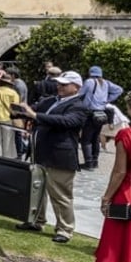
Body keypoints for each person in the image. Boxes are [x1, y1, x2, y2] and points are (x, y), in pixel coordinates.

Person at [13, 70, 89, 243]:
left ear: (76, 87)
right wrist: (21, 111)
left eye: (64, 84)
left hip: (60, 156)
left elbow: (66, 122)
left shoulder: (79, 106)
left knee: (60, 195)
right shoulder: (50, 101)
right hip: (41, 152)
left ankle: (65, 229)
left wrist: (35, 115)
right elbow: (34, 111)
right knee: (36, 190)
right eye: (59, 83)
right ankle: (36, 221)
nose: (59, 87)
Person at [93, 90, 131, 262]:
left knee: (115, 245)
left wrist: (106, 197)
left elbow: (119, 171)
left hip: (127, 193)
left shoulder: (127, 134)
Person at [78, 66, 123, 169]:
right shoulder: (106, 83)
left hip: (90, 113)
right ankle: (95, 161)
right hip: (101, 113)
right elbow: (119, 90)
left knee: (86, 139)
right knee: (95, 138)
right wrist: (106, 100)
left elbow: (80, 94)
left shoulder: (89, 82)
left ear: (90, 73)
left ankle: (88, 162)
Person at [0, 72, 21, 159]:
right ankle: (7, 159)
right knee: (8, 141)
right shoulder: (13, 93)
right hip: (7, 119)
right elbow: (16, 108)